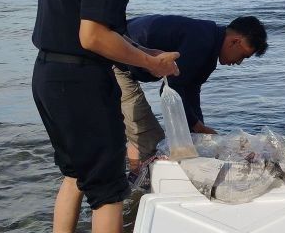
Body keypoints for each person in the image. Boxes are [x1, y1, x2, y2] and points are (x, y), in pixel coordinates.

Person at [32, 0, 188, 233]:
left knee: (76, 173)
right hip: (80, 79)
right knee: (109, 187)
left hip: (49, 74)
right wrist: (151, 63)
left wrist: (144, 49)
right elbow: (94, 35)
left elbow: (100, 26)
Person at [113, 14, 268, 167]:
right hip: (115, 58)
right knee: (152, 140)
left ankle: (135, 178)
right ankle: (148, 185)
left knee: (141, 133)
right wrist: (200, 128)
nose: (239, 62)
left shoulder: (209, 43)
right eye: (243, 56)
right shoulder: (202, 42)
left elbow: (191, 92)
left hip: (128, 53)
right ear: (234, 42)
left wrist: (199, 134)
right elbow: (171, 89)